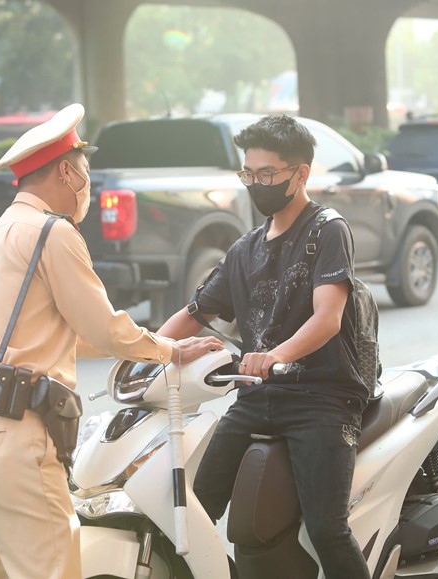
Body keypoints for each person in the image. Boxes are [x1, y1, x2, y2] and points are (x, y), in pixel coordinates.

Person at [0, 103, 223, 579]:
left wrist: (147, 343)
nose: (89, 187)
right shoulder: (51, 232)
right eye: (86, 173)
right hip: (22, 430)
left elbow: (64, 334)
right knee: (53, 570)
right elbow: (101, 326)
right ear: (65, 171)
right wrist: (172, 351)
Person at [157, 114, 371, 579]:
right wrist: (145, 352)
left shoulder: (326, 230)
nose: (257, 184)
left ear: (301, 174)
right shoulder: (244, 249)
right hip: (257, 397)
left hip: (321, 397)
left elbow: (328, 319)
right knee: (192, 510)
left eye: (268, 174)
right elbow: (193, 315)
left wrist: (275, 355)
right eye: (249, 174)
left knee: (327, 527)